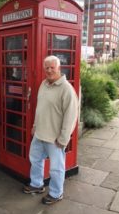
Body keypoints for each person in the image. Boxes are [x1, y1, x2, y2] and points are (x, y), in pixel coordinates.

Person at [23, 55, 78, 205]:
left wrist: (64, 138)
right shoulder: (43, 84)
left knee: (56, 168)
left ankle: (56, 193)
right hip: (40, 133)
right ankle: (37, 184)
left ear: (59, 68)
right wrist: (35, 126)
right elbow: (40, 108)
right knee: (35, 160)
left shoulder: (66, 89)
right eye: (46, 67)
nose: (49, 70)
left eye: (52, 67)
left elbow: (71, 116)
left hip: (55, 137)